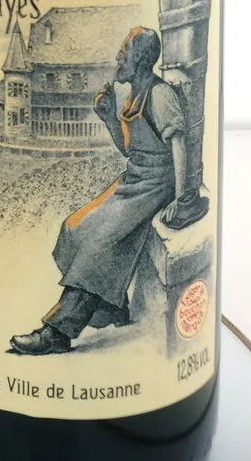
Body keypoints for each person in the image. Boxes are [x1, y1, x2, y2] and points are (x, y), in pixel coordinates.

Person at [10, 26, 189, 354]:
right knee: (75, 227)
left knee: (97, 247)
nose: (119, 57)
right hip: (134, 180)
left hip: (155, 187)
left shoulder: (160, 94)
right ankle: (111, 306)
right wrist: (109, 119)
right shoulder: (132, 96)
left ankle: (58, 332)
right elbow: (129, 150)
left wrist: (179, 198)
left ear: (140, 59)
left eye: (125, 52)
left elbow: (178, 144)